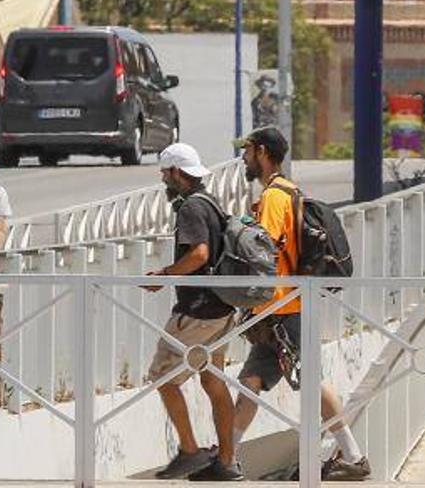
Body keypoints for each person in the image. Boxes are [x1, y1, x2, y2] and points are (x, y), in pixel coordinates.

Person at [233, 127, 371, 482]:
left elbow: (263, 250)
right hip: (279, 307)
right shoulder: (289, 191)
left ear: (262, 152)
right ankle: (226, 454)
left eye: (247, 151)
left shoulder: (276, 197)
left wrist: (249, 294)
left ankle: (354, 455)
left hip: (283, 308)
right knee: (251, 379)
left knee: (312, 379)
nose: (244, 158)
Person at [144, 143, 243, 481]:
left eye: (164, 172)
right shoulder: (213, 203)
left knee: (162, 376)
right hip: (222, 307)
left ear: (176, 173)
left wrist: (165, 275)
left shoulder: (190, 208)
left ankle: (189, 450)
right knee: (213, 380)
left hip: (198, 311)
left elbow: (199, 254)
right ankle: (226, 461)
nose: (162, 178)